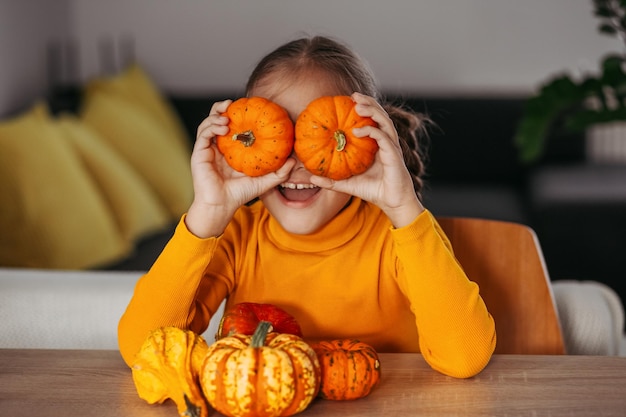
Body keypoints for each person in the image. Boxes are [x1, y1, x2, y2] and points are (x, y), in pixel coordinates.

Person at [118, 35, 496, 378]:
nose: (299, 162)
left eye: (321, 133)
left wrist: (403, 208)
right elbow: (141, 351)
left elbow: (464, 358)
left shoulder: (400, 237)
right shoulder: (235, 236)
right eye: (277, 134)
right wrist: (206, 214)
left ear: (366, 145)